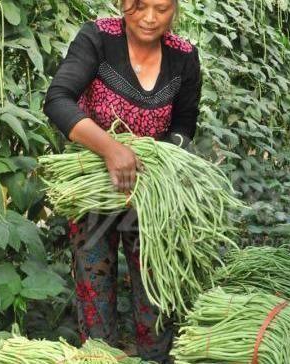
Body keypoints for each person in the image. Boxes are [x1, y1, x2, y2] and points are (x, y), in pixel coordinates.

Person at [43, 0, 201, 362]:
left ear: (174, 9)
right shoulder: (98, 38)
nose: (149, 18)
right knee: (95, 295)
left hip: (150, 196)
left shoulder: (184, 57)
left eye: (161, 9)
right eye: (139, 6)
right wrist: (111, 149)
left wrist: (157, 163)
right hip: (94, 189)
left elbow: (183, 126)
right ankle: (101, 356)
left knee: (156, 298)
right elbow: (58, 99)